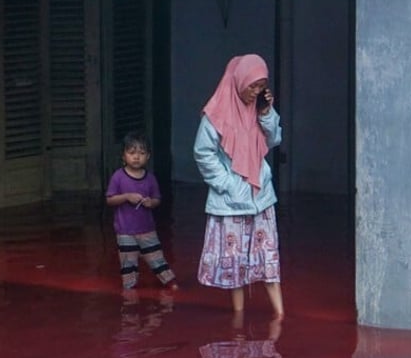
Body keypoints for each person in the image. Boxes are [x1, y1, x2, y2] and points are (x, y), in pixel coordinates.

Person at [193, 53, 285, 319]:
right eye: (252, 86)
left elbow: (274, 139)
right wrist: (227, 184)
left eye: (261, 86)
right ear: (239, 81)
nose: (255, 92)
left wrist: (266, 113)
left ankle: (280, 315)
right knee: (235, 263)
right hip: (231, 202)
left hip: (261, 197)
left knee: (268, 256)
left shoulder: (258, 109)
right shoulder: (215, 115)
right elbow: (203, 153)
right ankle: (239, 319)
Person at [105, 131, 178, 290]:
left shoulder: (150, 178)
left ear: (148, 156)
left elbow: (157, 200)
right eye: (132, 153)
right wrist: (126, 197)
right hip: (125, 231)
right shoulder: (118, 177)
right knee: (128, 262)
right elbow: (110, 199)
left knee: (156, 256)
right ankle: (129, 287)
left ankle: (169, 281)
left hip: (147, 229)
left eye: (141, 153)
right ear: (123, 156)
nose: (136, 157)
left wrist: (150, 203)